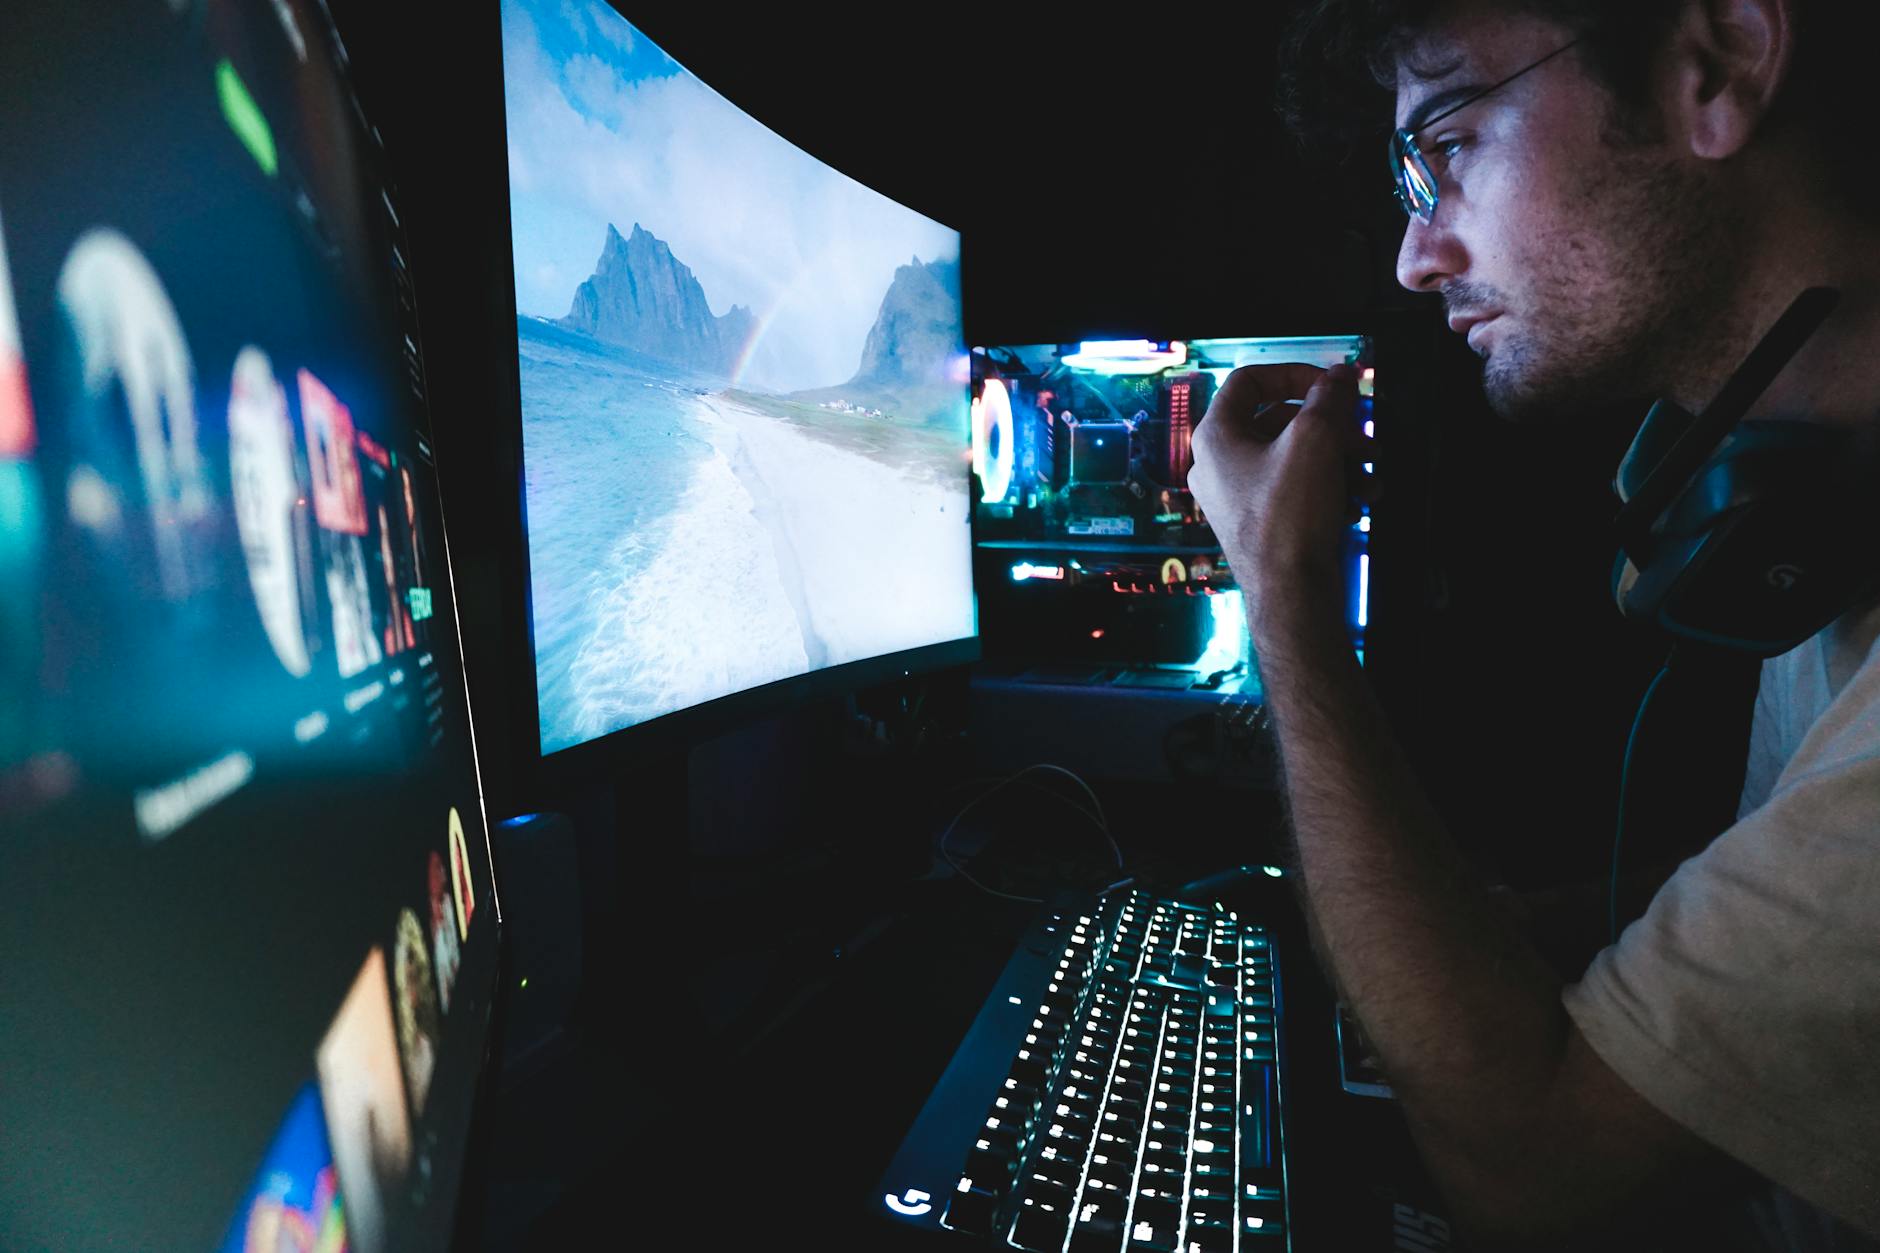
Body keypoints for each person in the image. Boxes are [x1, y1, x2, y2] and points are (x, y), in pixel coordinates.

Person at [1185, 1, 1880, 1248]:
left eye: (1444, 142)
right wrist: (1576, 927)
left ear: (1711, 64)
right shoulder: (1826, 502)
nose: (1412, 256)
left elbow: (1531, 1172)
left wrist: (1279, 592)